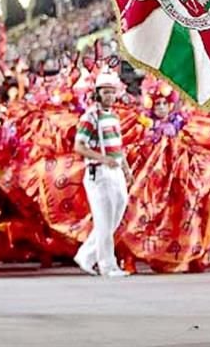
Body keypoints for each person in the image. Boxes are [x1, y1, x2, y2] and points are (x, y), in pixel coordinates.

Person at [73, 72, 132, 277]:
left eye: (112, 92)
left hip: (115, 171)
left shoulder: (113, 116)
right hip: (98, 172)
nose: (109, 96)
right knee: (104, 221)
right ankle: (108, 265)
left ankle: (86, 255)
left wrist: (126, 168)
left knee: (115, 218)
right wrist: (101, 158)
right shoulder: (90, 117)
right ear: (97, 93)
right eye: (105, 92)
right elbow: (79, 146)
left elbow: (119, 144)